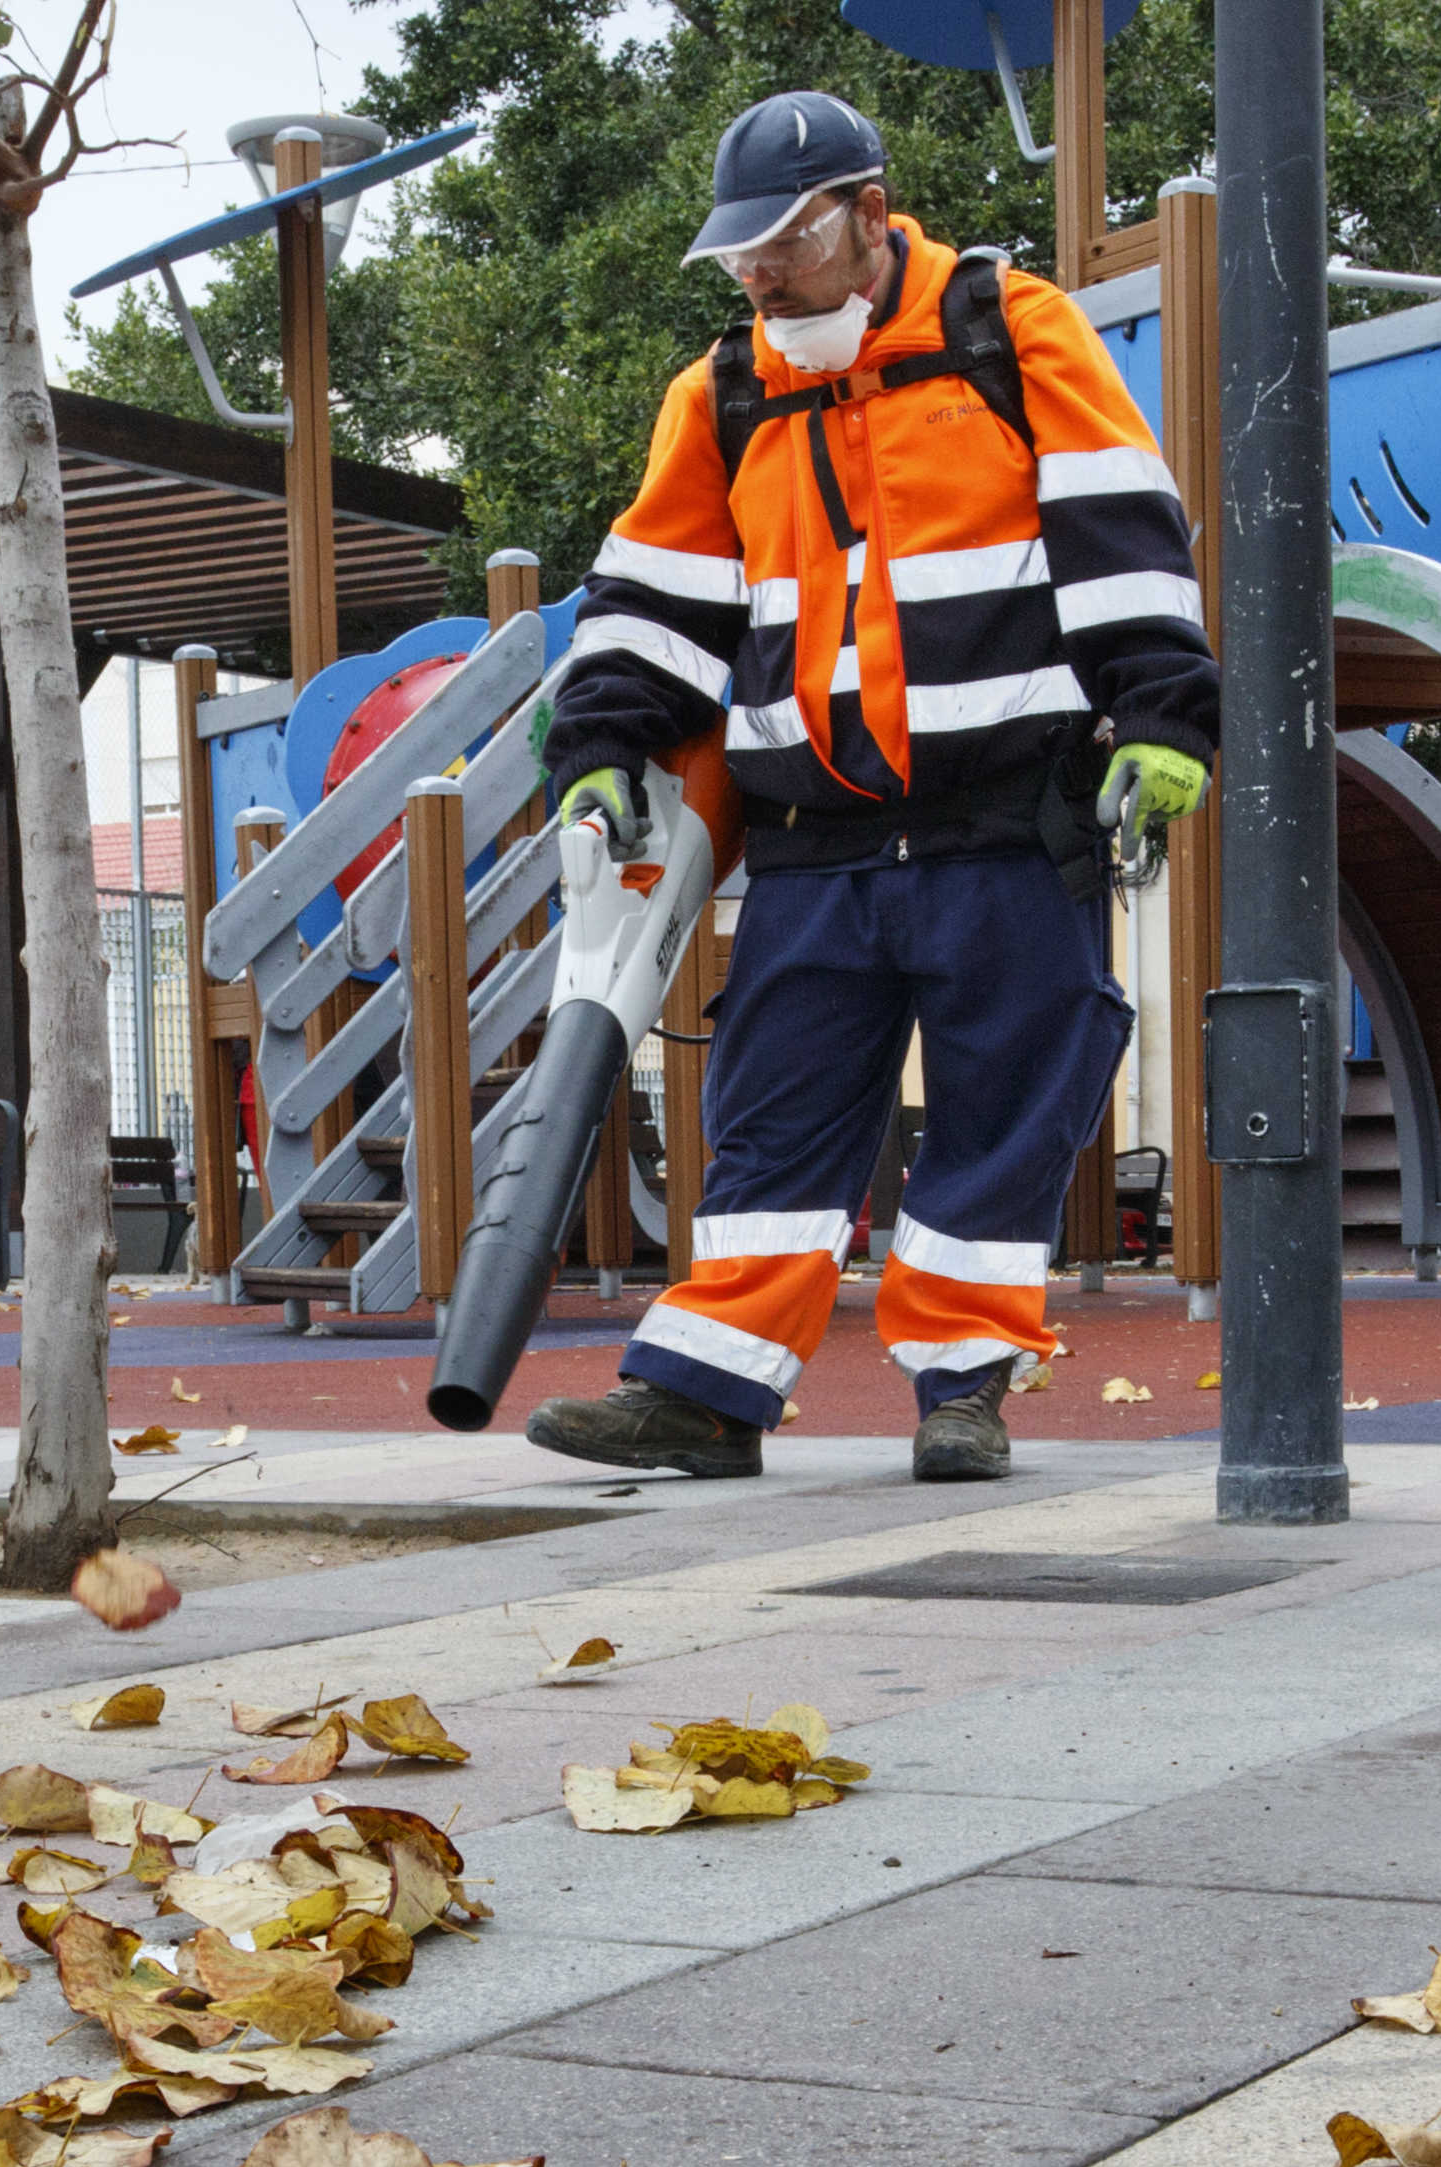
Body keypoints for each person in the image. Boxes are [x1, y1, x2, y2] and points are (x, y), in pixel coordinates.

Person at [521, 87, 1217, 1484]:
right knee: (771, 1110)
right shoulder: (720, 394)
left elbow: (1120, 531)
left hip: (1004, 821)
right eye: (741, 253)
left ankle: (961, 1386)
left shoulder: (1012, 333)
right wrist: (597, 747)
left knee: (1000, 1105)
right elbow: (652, 598)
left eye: (784, 241)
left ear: (868, 215)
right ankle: (708, 1392)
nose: (761, 274)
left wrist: (1163, 718)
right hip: (813, 837)